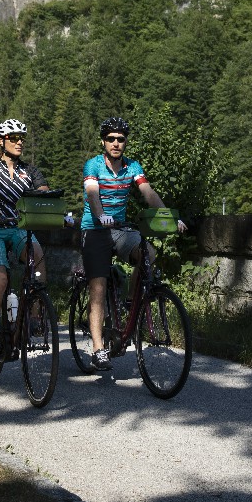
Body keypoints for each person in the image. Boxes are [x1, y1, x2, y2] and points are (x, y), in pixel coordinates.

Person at [79, 116, 186, 370]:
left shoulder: (132, 166)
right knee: (99, 286)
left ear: (125, 142)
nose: (116, 143)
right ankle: (97, 348)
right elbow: (93, 194)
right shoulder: (93, 165)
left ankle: (130, 300)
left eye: (121, 139)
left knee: (148, 253)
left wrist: (168, 218)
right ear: (104, 141)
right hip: (95, 229)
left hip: (120, 231)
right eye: (111, 139)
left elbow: (147, 192)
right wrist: (100, 214)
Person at [0, 118, 50, 362]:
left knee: (38, 260)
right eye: (14, 138)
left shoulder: (30, 171)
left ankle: (34, 319)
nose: (19, 142)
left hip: (18, 229)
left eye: (22, 139)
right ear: (2, 141)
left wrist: (51, 208)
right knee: (1, 280)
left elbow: (44, 193)